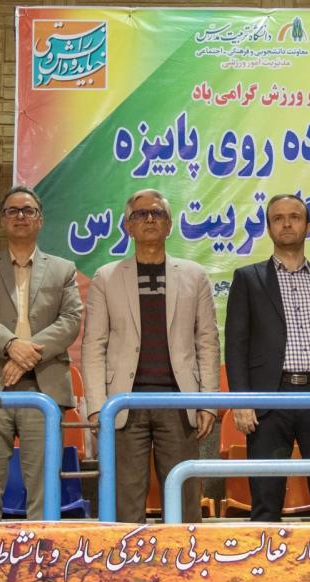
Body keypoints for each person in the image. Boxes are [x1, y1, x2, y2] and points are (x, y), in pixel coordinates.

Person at [82, 189, 219, 523]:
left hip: (179, 401)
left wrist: (208, 403)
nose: (149, 219)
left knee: (184, 502)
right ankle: (128, 558)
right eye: (140, 214)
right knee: (125, 502)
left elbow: (207, 342)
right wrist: (97, 407)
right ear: (128, 226)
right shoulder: (106, 277)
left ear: (169, 225)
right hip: (123, 404)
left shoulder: (194, 275)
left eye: (157, 213)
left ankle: (184, 555)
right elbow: (93, 345)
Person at [224, 193, 310, 522]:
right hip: (269, 400)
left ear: (308, 226)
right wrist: (241, 400)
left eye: (294, 217)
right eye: (278, 218)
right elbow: (236, 345)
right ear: (268, 228)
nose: (286, 224)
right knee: (265, 502)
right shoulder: (248, 278)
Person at [0, 186, 84, 521]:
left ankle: (41, 552)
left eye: (28, 210)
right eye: (12, 210)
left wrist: (27, 356)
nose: (20, 216)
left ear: (40, 220)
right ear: (2, 220)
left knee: (44, 488)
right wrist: (11, 345)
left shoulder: (62, 269)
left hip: (44, 388)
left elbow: (71, 320)